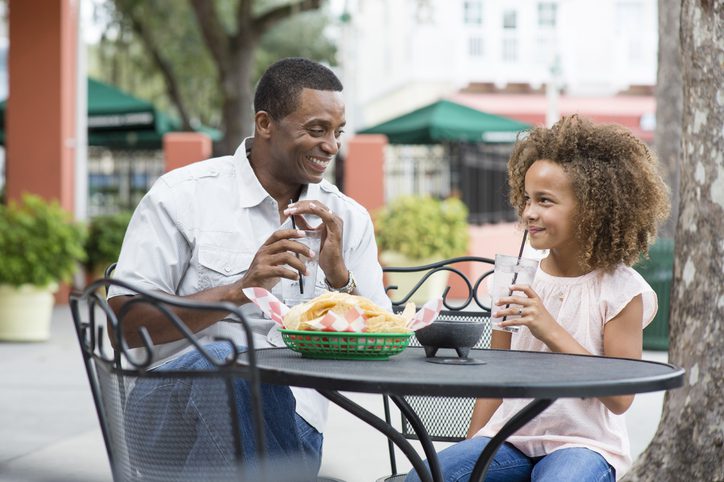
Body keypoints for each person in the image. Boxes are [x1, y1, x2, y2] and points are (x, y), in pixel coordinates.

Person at [107, 57, 391, 479]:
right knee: (230, 361)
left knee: (239, 419)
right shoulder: (183, 197)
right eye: (317, 129)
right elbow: (125, 324)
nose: (332, 145)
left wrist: (340, 279)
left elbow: (386, 341)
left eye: (337, 132)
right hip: (167, 417)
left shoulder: (345, 218)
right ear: (265, 123)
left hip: (294, 426)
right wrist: (239, 289)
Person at [406, 115, 670, 482]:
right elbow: (495, 378)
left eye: (545, 201)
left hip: (584, 444)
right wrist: (475, 445)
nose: (529, 212)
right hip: (510, 437)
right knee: (426, 477)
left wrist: (549, 329)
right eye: (527, 199)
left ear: (593, 209)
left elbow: (620, 398)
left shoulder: (622, 289)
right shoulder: (515, 279)